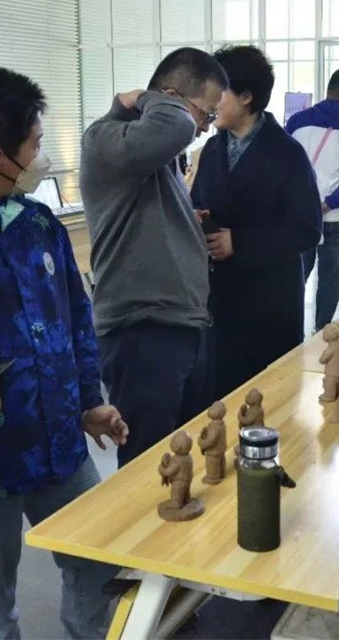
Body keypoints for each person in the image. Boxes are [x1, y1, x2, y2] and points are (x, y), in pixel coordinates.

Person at [0, 68, 129, 639]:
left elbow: (77, 319)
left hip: (61, 443)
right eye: (35, 144)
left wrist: (89, 402)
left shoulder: (41, 223)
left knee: (98, 560)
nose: (41, 156)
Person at [81, 47, 228, 466]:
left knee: (187, 458)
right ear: (171, 98)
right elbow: (176, 126)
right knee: (150, 468)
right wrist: (143, 98)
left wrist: (185, 223)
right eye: (206, 113)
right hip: (143, 332)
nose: (205, 127)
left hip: (180, 326)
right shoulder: (108, 137)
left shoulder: (154, 151)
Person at [191, 46, 322, 398]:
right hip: (221, 299)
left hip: (269, 304)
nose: (211, 102)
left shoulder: (287, 153)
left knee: (268, 401)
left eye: (220, 93)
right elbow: (199, 201)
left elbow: (307, 228)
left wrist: (239, 242)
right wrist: (197, 218)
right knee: (221, 399)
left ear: (247, 97)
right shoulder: (212, 150)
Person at [287, 69, 339, 332]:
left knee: (295, 275)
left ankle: (288, 330)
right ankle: (322, 332)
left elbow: (284, 165)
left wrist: (301, 200)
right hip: (335, 218)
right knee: (330, 280)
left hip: (300, 215)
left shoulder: (296, 123)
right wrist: (330, 202)